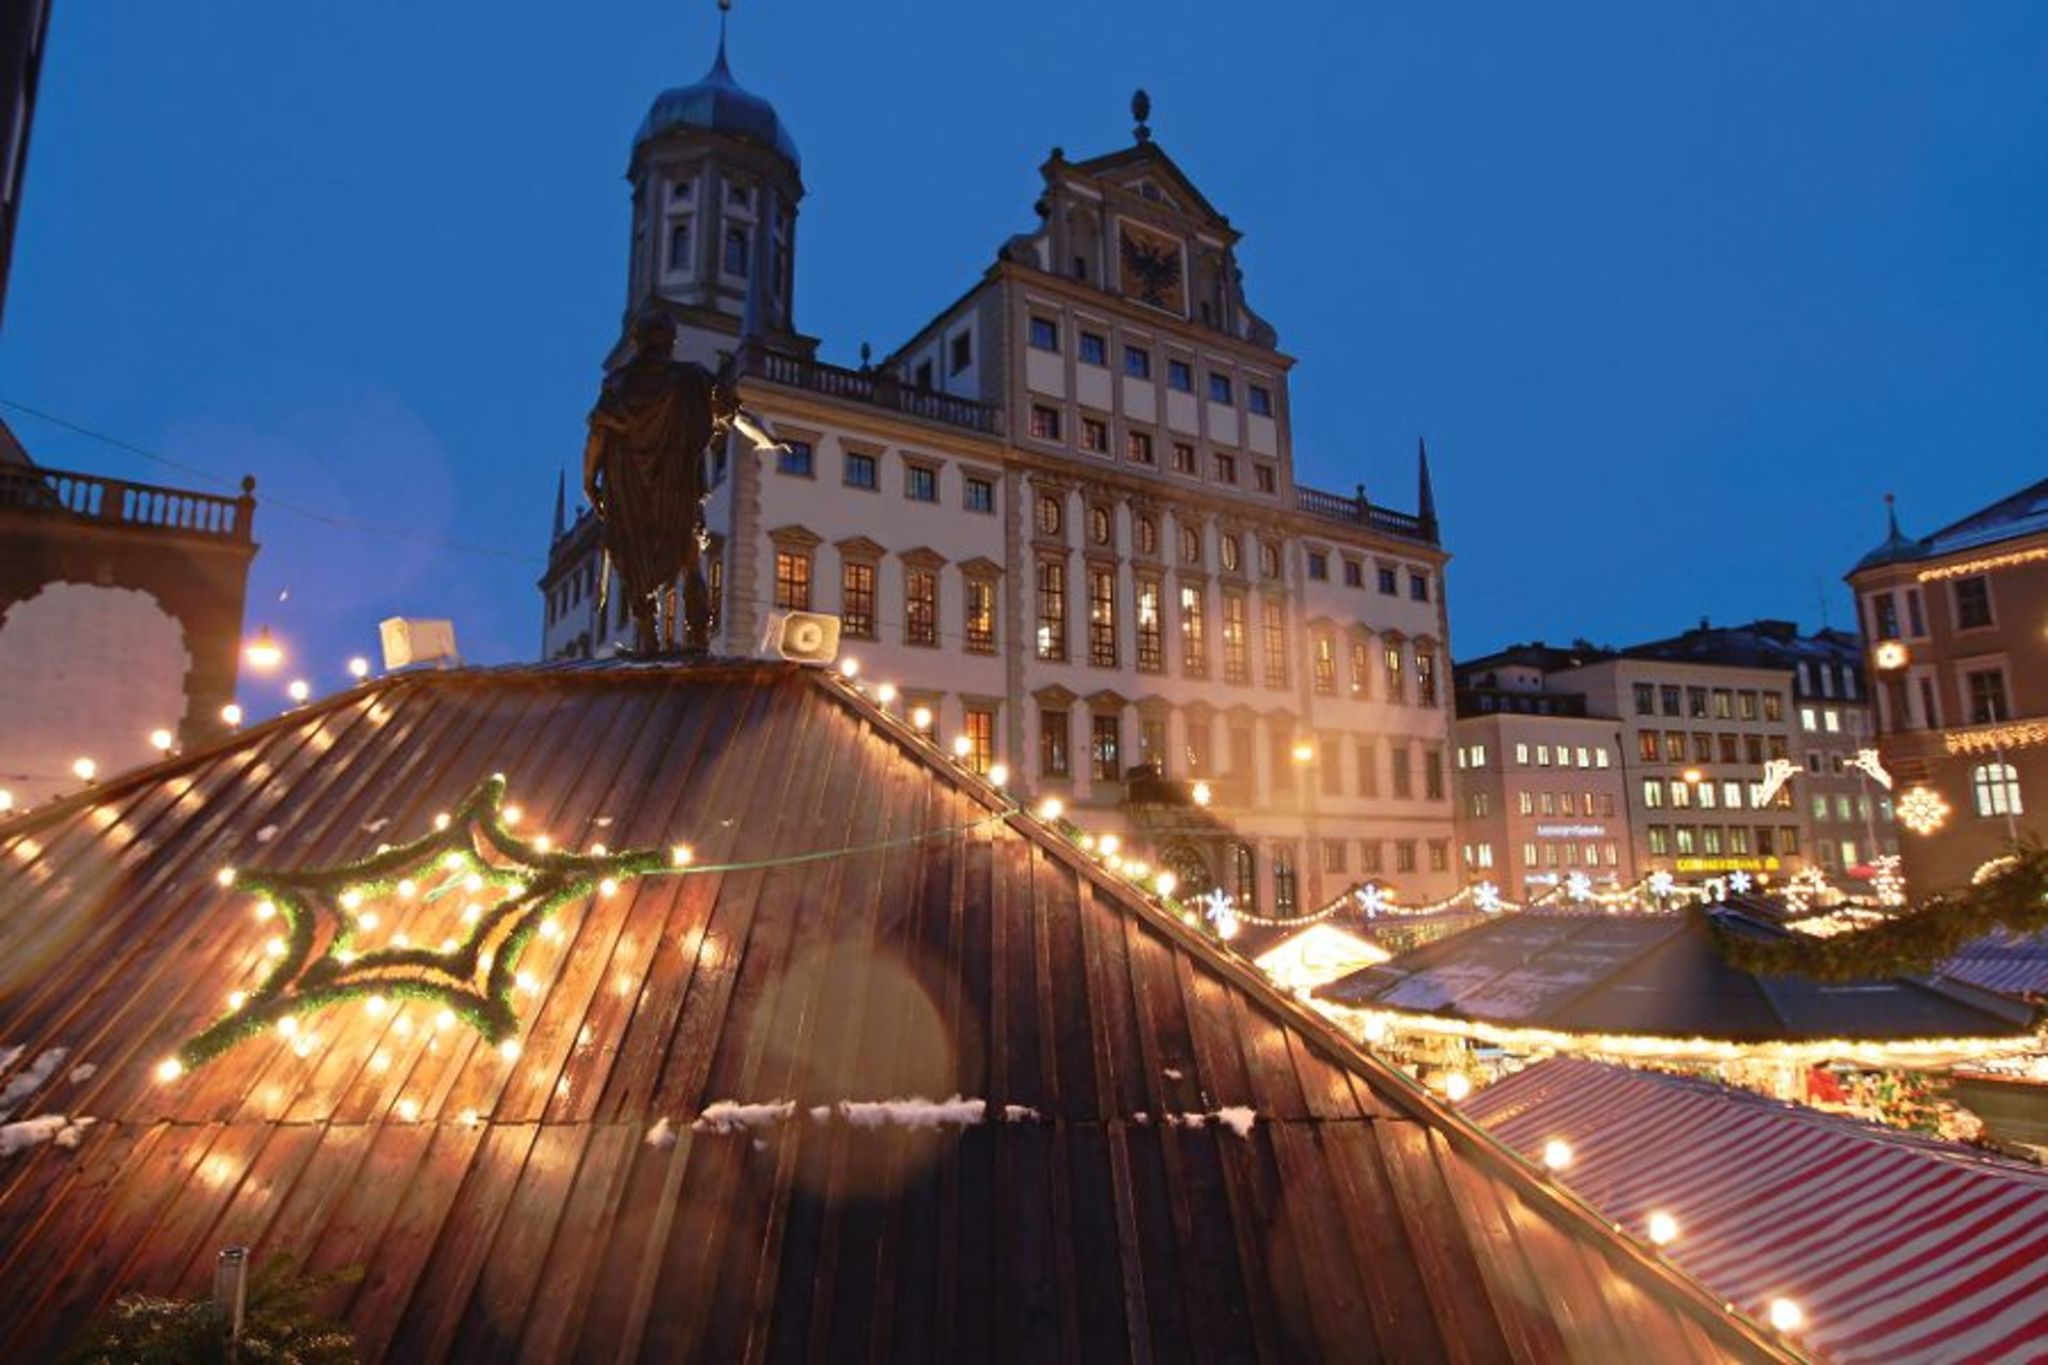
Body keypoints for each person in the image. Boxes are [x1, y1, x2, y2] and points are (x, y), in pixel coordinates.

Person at [582, 312, 733, 653]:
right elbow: (727, 405)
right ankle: (698, 635)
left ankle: (647, 634)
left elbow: (597, 434)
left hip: (629, 485)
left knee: (634, 558)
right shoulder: (691, 377)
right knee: (691, 557)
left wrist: (590, 478)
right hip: (677, 485)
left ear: (637, 341)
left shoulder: (618, 383)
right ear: (671, 341)